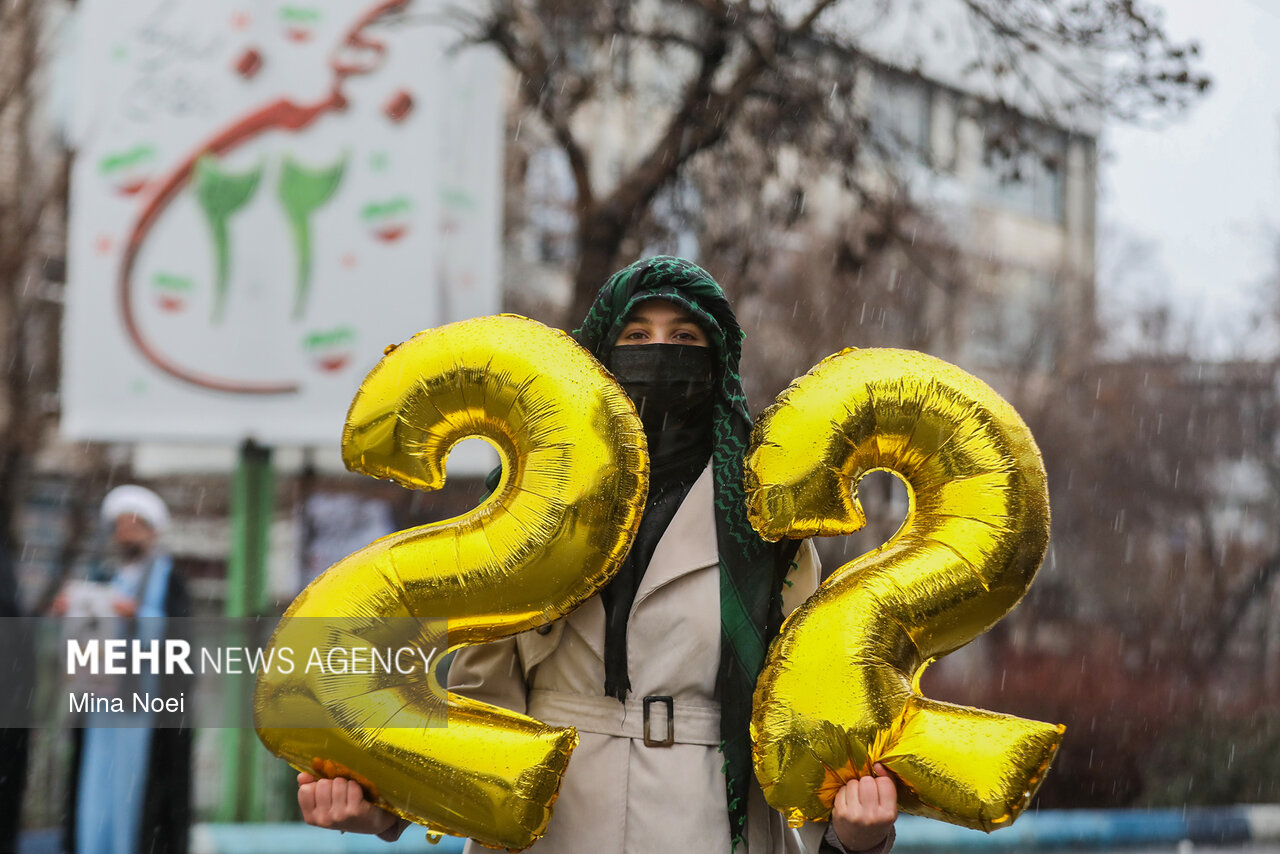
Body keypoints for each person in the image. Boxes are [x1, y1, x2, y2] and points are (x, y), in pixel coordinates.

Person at [296, 257, 898, 852]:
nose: (659, 353)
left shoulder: (765, 520)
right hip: (551, 823)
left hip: (708, 824)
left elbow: (802, 709)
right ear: (598, 361)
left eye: (684, 338)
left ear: (718, 366)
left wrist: (852, 836)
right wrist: (382, 808)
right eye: (637, 336)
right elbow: (480, 709)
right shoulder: (525, 506)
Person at [53, 485, 192, 854]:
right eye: (121, 526)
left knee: (134, 793)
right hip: (103, 702)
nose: (126, 533)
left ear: (151, 531)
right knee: (96, 786)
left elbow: (178, 639)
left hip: (142, 707)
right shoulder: (107, 577)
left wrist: (138, 619)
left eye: (134, 525)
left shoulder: (167, 579)